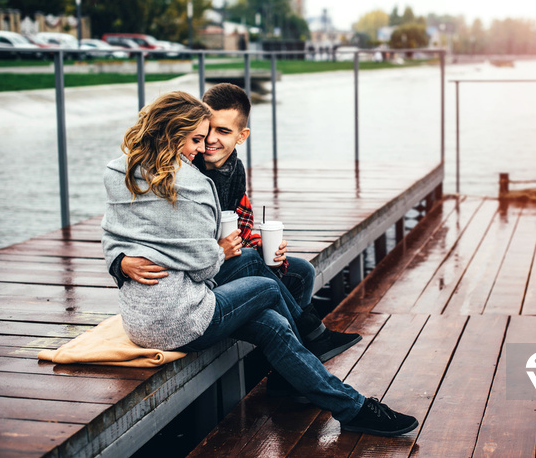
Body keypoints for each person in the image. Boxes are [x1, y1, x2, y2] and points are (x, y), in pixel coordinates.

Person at [101, 91, 419, 437]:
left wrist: (119, 260)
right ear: (173, 133)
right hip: (181, 318)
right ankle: (314, 350)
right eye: (196, 138)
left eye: (213, 135)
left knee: (272, 323)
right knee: (266, 287)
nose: (202, 146)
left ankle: (350, 407)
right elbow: (204, 269)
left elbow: (114, 236)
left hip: (140, 317)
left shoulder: (121, 173)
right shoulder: (191, 185)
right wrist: (219, 250)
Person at [109, 83, 361, 365]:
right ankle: (314, 339)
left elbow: (237, 230)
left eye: (222, 132)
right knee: (258, 268)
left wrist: (266, 247)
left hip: (217, 260)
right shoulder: (186, 168)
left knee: (301, 272)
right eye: (204, 133)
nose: (208, 142)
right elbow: (137, 227)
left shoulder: (234, 170)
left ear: (242, 136)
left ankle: (289, 366)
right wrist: (120, 263)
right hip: (192, 280)